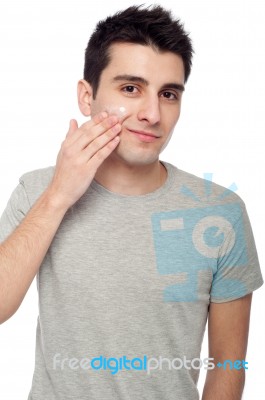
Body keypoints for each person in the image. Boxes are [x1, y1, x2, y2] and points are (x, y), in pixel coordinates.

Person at [0, 4, 263, 400]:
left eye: (169, 94)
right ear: (86, 97)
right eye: (130, 89)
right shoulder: (37, 191)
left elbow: (228, 364)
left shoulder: (219, 212)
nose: (153, 114)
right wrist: (59, 196)